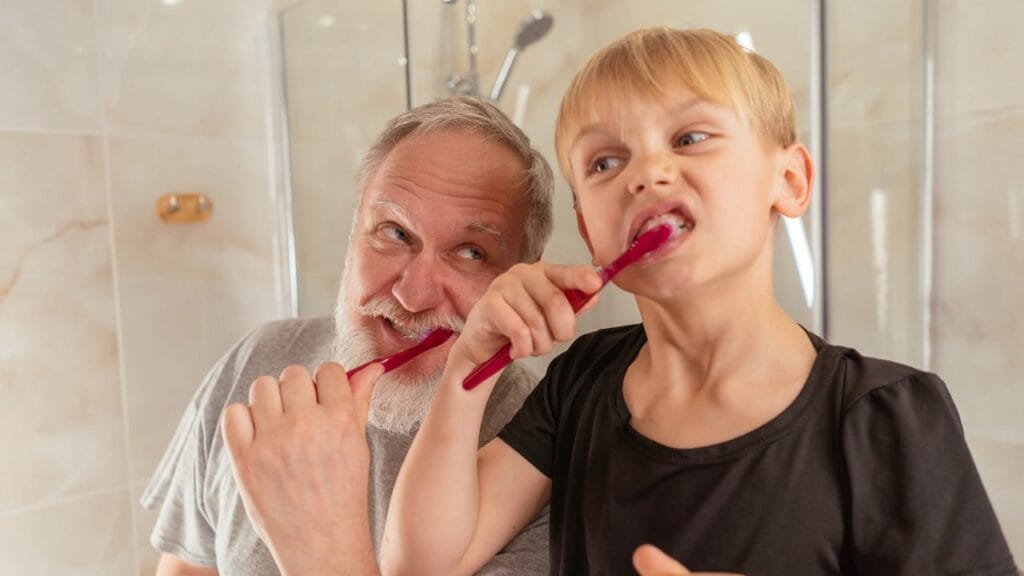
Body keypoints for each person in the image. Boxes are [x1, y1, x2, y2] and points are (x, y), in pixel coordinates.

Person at [381, 27, 1019, 575]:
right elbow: (423, 564)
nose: (646, 173)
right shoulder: (579, 385)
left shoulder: (886, 419)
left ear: (789, 180)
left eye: (689, 139)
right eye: (605, 162)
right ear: (588, 229)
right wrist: (468, 365)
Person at [140, 96, 555, 575]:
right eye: (394, 233)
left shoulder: (542, 453)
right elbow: (186, 567)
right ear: (354, 228)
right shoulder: (259, 359)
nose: (412, 296)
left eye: (471, 253)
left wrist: (320, 547)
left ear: (524, 278)